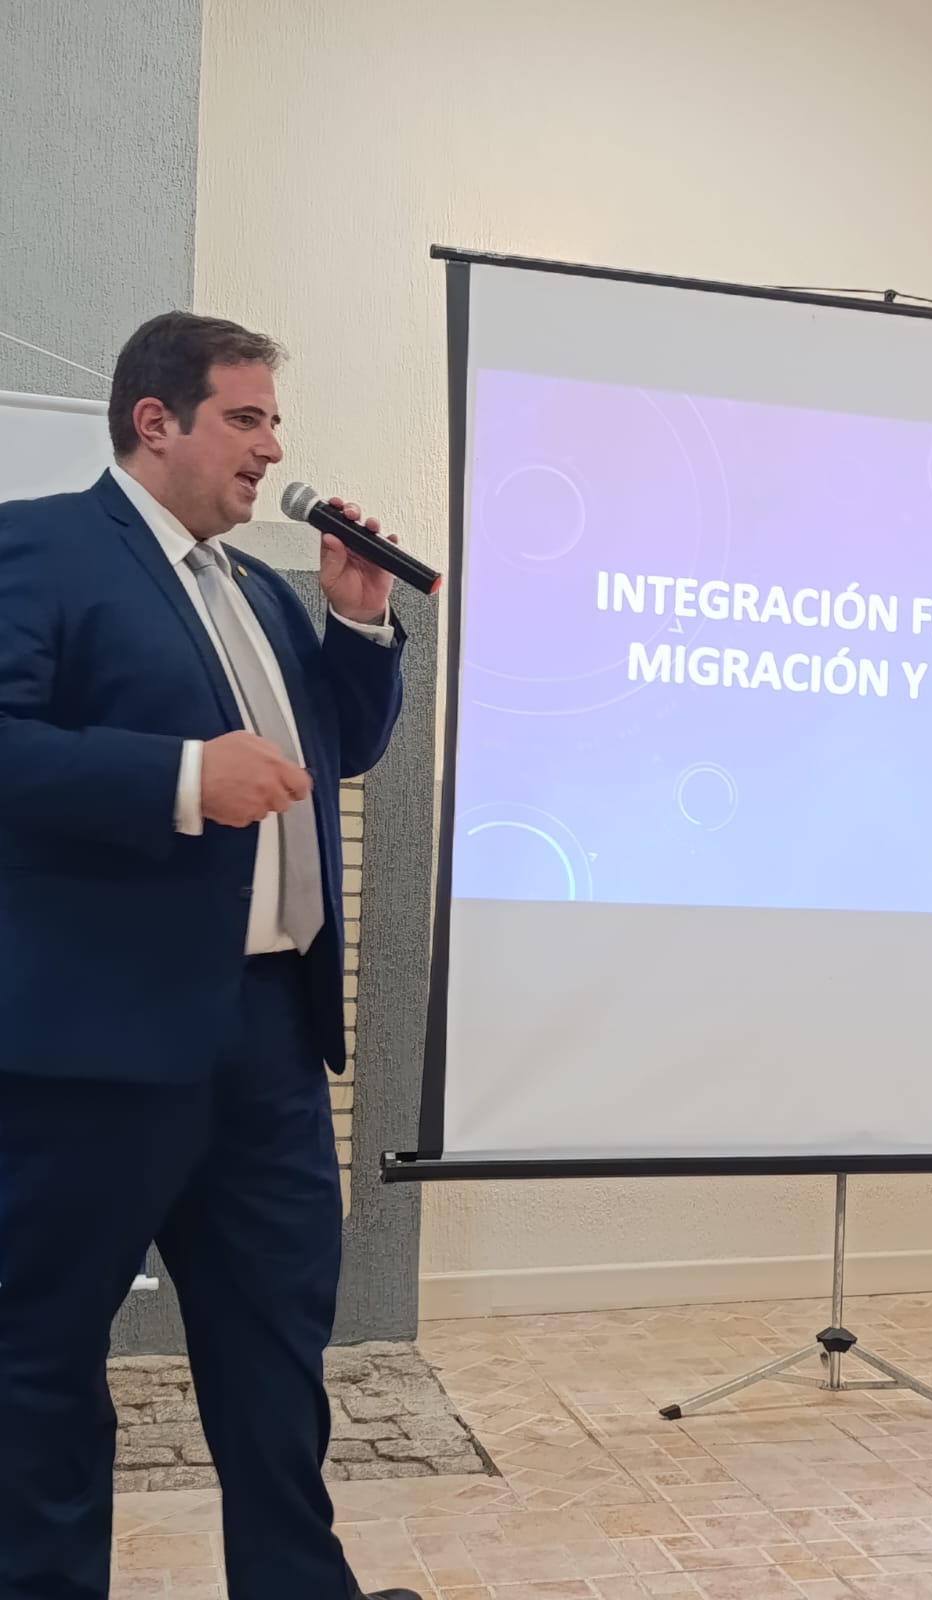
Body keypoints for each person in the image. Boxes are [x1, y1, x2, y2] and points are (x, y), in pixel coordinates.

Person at [0, 313, 422, 1600]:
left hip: (270, 1043)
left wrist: (355, 623)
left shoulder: (258, 592)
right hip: (101, 1050)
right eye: (246, 418)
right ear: (155, 420)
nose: (272, 448)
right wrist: (182, 776)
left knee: (276, 1350)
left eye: (273, 422)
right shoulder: (43, 547)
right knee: (44, 1356)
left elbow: (333, 751)